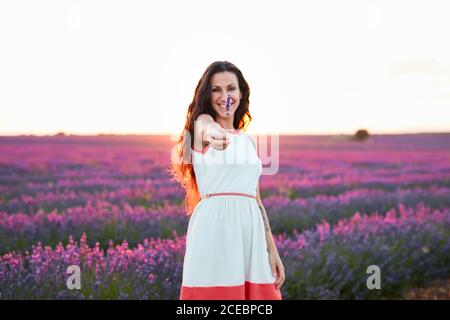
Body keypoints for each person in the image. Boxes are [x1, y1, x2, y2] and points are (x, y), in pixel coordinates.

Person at [170, 61, 285, 300]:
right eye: (216, 90)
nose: (225, 96)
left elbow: (257, 200)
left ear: (241, 93)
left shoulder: (248, 142)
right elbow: (206, 127)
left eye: (231, 88)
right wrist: (215, 135)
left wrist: (272, 251)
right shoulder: (202, 125)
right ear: (207, 95)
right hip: (216, 226)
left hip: (250, 229)